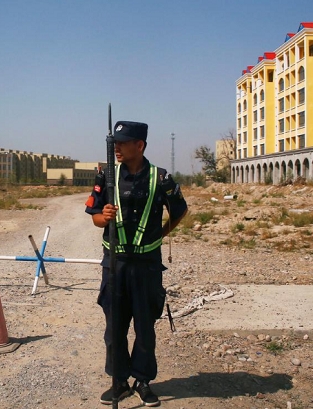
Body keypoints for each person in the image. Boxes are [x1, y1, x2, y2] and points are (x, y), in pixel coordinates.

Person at [85, 121, 188, 407]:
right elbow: (93, 216)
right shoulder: (106, 176)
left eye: (123, 142)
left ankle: (143, 381)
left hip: (146, 265)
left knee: (145, 326)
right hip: (115, 263)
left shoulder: (161, 178)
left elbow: (180, 211)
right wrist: (103, 218)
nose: (116, 147)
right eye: (114, 142)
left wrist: (159, 236)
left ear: (139, 145)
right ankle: (119, 382)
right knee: (114, 327)